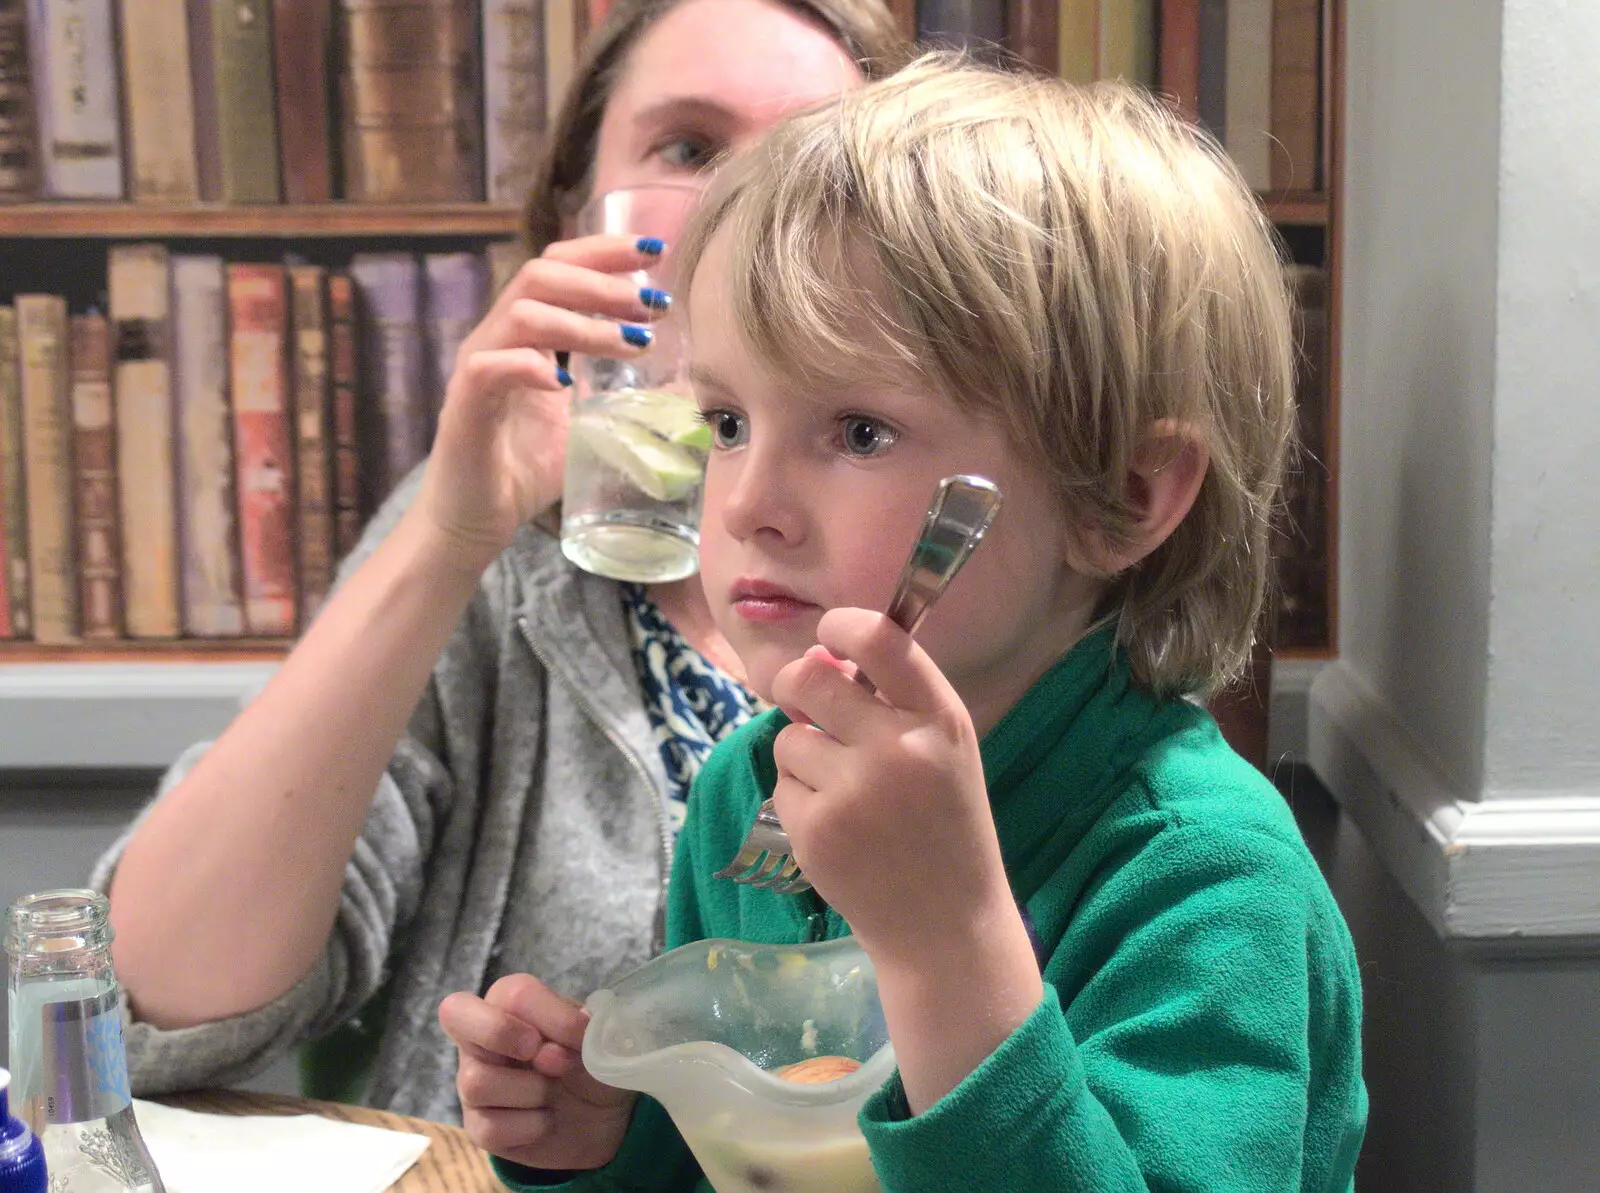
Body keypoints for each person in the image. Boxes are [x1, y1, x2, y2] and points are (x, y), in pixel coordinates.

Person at [441, 56, 1368, 1191]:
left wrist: (948, 948)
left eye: (860, 432)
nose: (746, 505)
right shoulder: (754, 785)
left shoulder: (1204, 880)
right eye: (727, 419)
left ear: (1124, 495)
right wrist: (611, 1137)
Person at [90, 0, 908, 1125]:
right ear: (577, 217)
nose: (738, 207)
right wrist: (446, 531)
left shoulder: (968, 574)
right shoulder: (499, 553)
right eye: (687, 149)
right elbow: (157, 1011)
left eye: (806, 160)